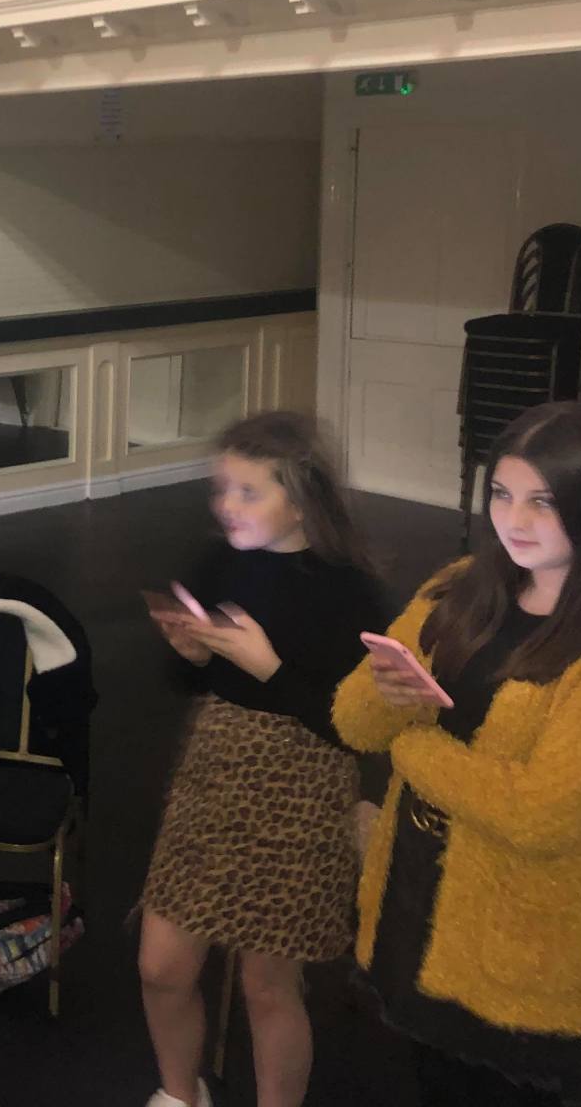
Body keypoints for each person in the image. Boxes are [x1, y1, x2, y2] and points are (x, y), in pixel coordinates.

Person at [334, 401, 581, 1106]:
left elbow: (543, 812)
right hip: (413, 910)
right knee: (434, 1081)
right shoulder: (461, 587)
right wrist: (388, 696)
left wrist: (413, 745)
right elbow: (354, 723)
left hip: (527, 952)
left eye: (543, 502)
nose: (513, 521)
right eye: (501, 494)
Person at [135, 412, 390, 1107]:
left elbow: (356, 729)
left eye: (250, 491)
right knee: (161, 966)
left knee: (267, 984)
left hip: (303, 786)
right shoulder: (217, 562)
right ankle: (180, 1093)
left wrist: (268, 667)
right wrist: (190, 655)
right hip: (214, 772)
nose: (228, 506)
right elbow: (188, 682)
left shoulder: (349, 591)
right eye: (222, 488)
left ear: (302, 502)